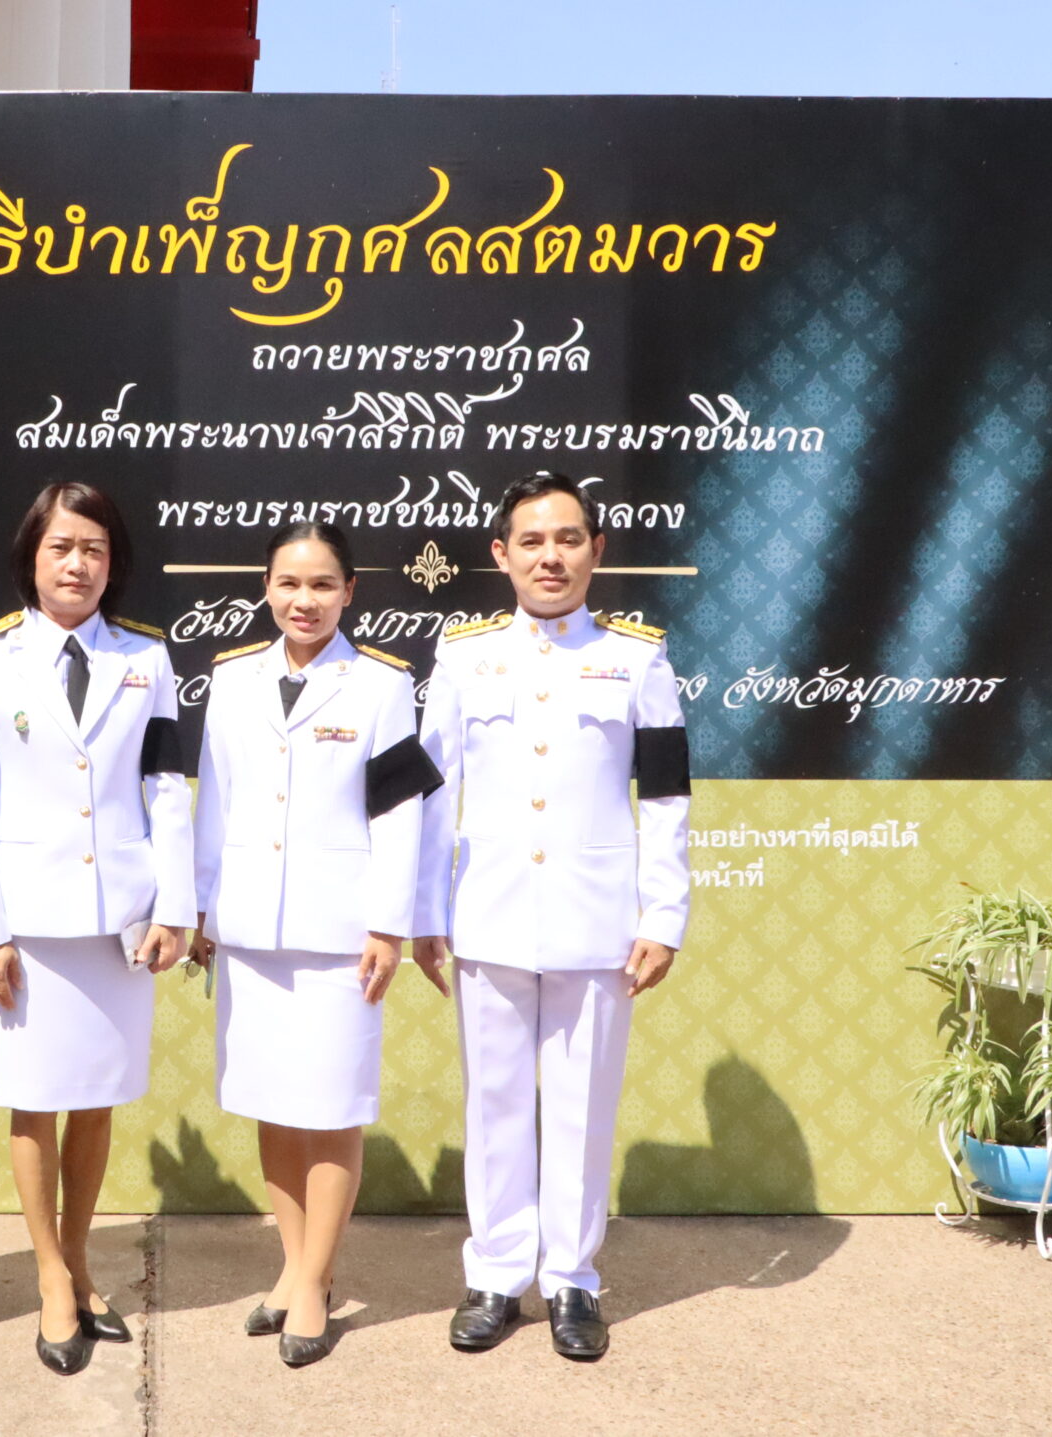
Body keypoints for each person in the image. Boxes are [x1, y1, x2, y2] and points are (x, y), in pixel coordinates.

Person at [413, 471, 691, 1363]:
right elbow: (429, 793)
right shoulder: (463, 659)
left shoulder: (640, 660)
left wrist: (665, 912)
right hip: (487, 914)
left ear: (597, 551)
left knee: (581, 1107)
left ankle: (573, 1279)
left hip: (597, 921)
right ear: (501, 555)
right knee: (495, 1103)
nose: (551, 556)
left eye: (569, 538)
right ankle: (495, 1273)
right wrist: (421, 910)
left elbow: (669, 797)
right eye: (531, 540)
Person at [0, 480, 194, 1376]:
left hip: (120, 917)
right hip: (30, 921)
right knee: (35, 1098)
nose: (77, 563)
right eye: (61, 547)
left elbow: (166, 787)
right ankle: (52, 1277)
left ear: (111, 562)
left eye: (93, 548)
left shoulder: (147, 658)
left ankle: (81, 1259)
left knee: (97, 1098)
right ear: (32, 556)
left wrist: (177, 904)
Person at [187, 521, 443, 1368]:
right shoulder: (230, 679)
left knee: (330, 1109)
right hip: (250, 927)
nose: (305, 600)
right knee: (273, 1104)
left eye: (323, 585)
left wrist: (387, 923)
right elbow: (215, 802)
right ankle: (297, 1269)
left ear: (350, 592)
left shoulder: (380, 686)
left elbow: (402, 813)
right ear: (266, 587)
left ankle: (316, 1279)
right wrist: (200, 908)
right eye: (290, 584)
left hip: (342, 933)